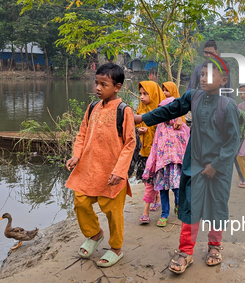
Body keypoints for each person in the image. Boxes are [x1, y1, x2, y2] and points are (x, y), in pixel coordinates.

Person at [134, 60, 240, 275]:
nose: (202, 79)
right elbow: (169, 111)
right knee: (190, 204)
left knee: (217, 206)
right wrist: (142, 118)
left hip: (219, 168)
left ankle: (214, 247)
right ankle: (185, 251)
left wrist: (216, 165)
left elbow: (233, 142)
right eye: (201, 75)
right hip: (195, 163)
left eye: (208, 76)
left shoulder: (228, 107)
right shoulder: (193, 97)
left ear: (223, 81)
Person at [65, 63, 136, 267]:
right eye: (96, 83)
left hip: (112, 174)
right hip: (88, 170)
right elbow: (82, 134)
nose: (97, 88)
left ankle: (116, 248)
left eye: (103, 84)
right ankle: (95, 234)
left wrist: (119, 171)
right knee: (80, 202)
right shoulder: (92, 107)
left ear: (117, 87)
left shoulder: (125, 111)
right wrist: (76, 156)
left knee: (114, 213)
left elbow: (130, 143)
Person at [141, 96, 190, 226]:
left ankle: (178, 206)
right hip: (162, 166)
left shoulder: (182, 127)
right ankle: (164, 215)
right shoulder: (160, 127)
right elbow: (155, 146)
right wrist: (150, 165)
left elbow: (187, 145)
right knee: (163, 191)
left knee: (178, 189)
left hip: (176, 165)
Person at [136, 81, 165, 221]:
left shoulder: (161, 111)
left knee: (150, 181)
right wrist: (138, 130)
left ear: (153, 94)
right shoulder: (140, 109)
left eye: (145, 94)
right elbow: (132, 125)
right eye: (140, 94)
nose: (141, 97)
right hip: (143, 151)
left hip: (157, 153)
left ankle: (146, 210)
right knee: (146, 179)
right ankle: (157, 196)